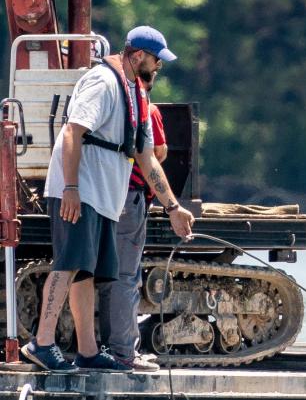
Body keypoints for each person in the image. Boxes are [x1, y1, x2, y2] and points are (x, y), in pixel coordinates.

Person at [20, 26, 194, 372]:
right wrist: (70, 188)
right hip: (80, 191)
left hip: (102, 197)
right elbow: (73, 131)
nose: (159, 67)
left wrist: (173, 207)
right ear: (139, 55)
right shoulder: (103, 82)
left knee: (86, 271)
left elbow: (146, 157)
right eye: (156, 60)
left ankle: (87, 350)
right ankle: (41, 343)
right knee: (68, 263)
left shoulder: (136, 94)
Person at [97, 69, 171, 372]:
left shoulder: (112, 105)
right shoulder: (146, 109)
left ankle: (105, 346)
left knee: (105, 276)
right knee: (127, 276)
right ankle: (124, 351)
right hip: (132, 195)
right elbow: (157, 153)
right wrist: (173, 205)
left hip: (107, 193)